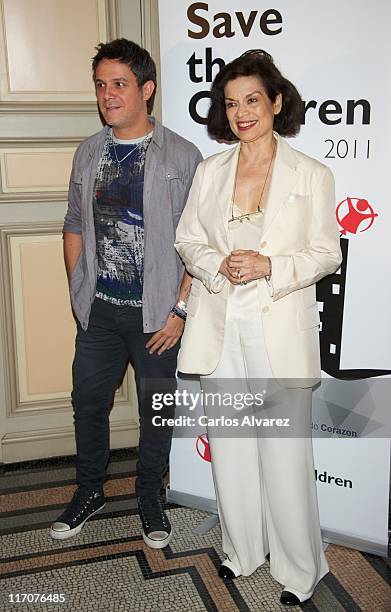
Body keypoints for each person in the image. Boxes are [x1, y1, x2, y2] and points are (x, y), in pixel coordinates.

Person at [175, 50, 342, 605]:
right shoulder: (210, 170)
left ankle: (300, 570)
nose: (242, 112)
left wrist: (272, 266)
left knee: (285, 458)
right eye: (231, 103)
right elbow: (187, 240)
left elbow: (326, 254)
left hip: (278, 322)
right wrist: (214, 263)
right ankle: (242, 552)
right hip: (221, 321)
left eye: (252, 99)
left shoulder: (312, 174)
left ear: (275, 102)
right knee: (232, 450)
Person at [50, 39, 202, 548]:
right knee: (87, 404)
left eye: (119, 84)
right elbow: (73, 223)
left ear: (147, 89)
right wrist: (79, 292)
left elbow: (199, 244)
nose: (108, 95)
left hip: (158, 315)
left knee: (155, 410)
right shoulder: (89, 152)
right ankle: (90, 491)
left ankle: (149, 496)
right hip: (99, 312)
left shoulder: (183, 155)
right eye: (101, 85)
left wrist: (180, 310)